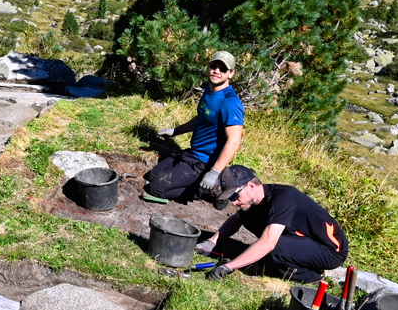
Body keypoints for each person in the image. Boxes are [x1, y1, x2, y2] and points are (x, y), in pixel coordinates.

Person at [197, 166, 349, 284]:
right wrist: (212, 242)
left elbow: (269, 243)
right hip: (301, 239)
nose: (234, 202)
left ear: (250, 185)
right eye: (231, 198)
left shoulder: (283, 199)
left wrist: (229, 267)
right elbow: (236, 219)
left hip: (330, 251)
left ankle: (312, 276)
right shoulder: (259, 199)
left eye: (235, 196)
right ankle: (279, 257)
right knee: (245, 215)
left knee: (275, 246)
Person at [142, 50, 244, 202]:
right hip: (191, 154)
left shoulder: (230, 102)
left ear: (231, 73)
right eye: (213, 66)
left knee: (155, 188)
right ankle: (197, 182)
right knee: (152, 176)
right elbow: (202, 118)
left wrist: (214, 172)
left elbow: (234, 141)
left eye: (222, 69)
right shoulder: (209, 90)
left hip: (203, 163)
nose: (216, 71)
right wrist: (175, 131)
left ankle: (208, 191)